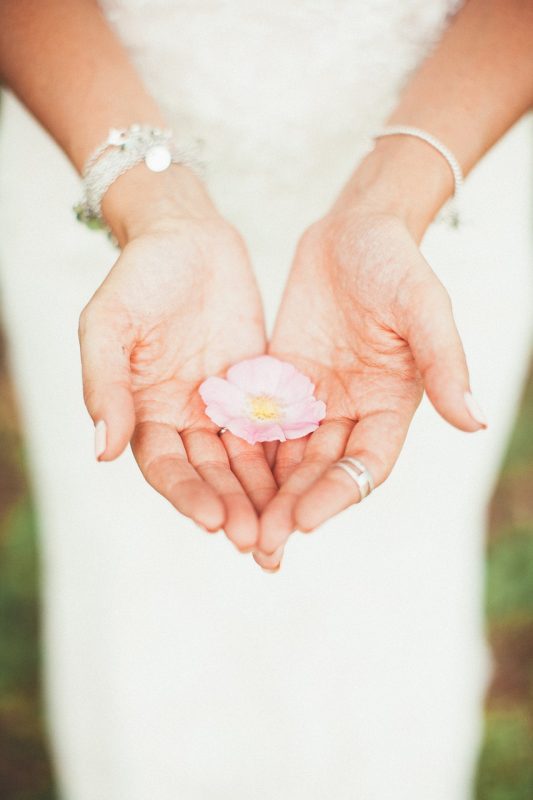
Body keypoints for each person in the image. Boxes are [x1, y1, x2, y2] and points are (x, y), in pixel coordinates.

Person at [0, 1, 531, 797]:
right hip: (95, 131)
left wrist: (395, 197)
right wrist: (150, 204)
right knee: (140, 577)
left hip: (452, 149)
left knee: (389, 564)